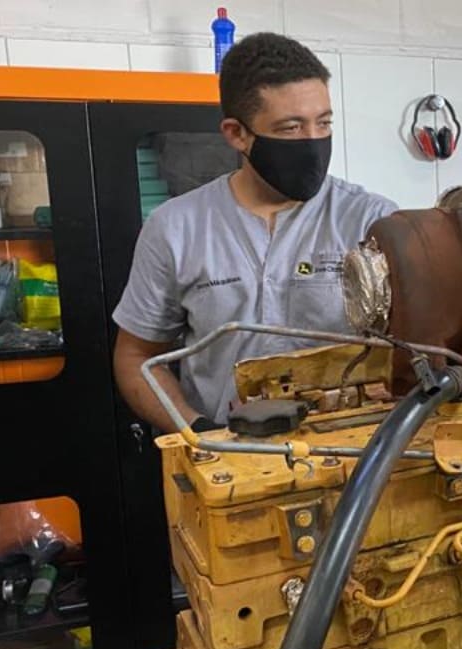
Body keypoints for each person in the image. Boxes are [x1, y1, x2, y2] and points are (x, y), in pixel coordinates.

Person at [112, 32, 396, 434]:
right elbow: (136, 357)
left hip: (352, 458)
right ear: (236, 134)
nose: (313, 141)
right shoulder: (176, 227)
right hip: (224, 460)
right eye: (291, 127)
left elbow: (422, 347)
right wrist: (200, 432)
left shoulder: (373, 221)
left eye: (324, 122)